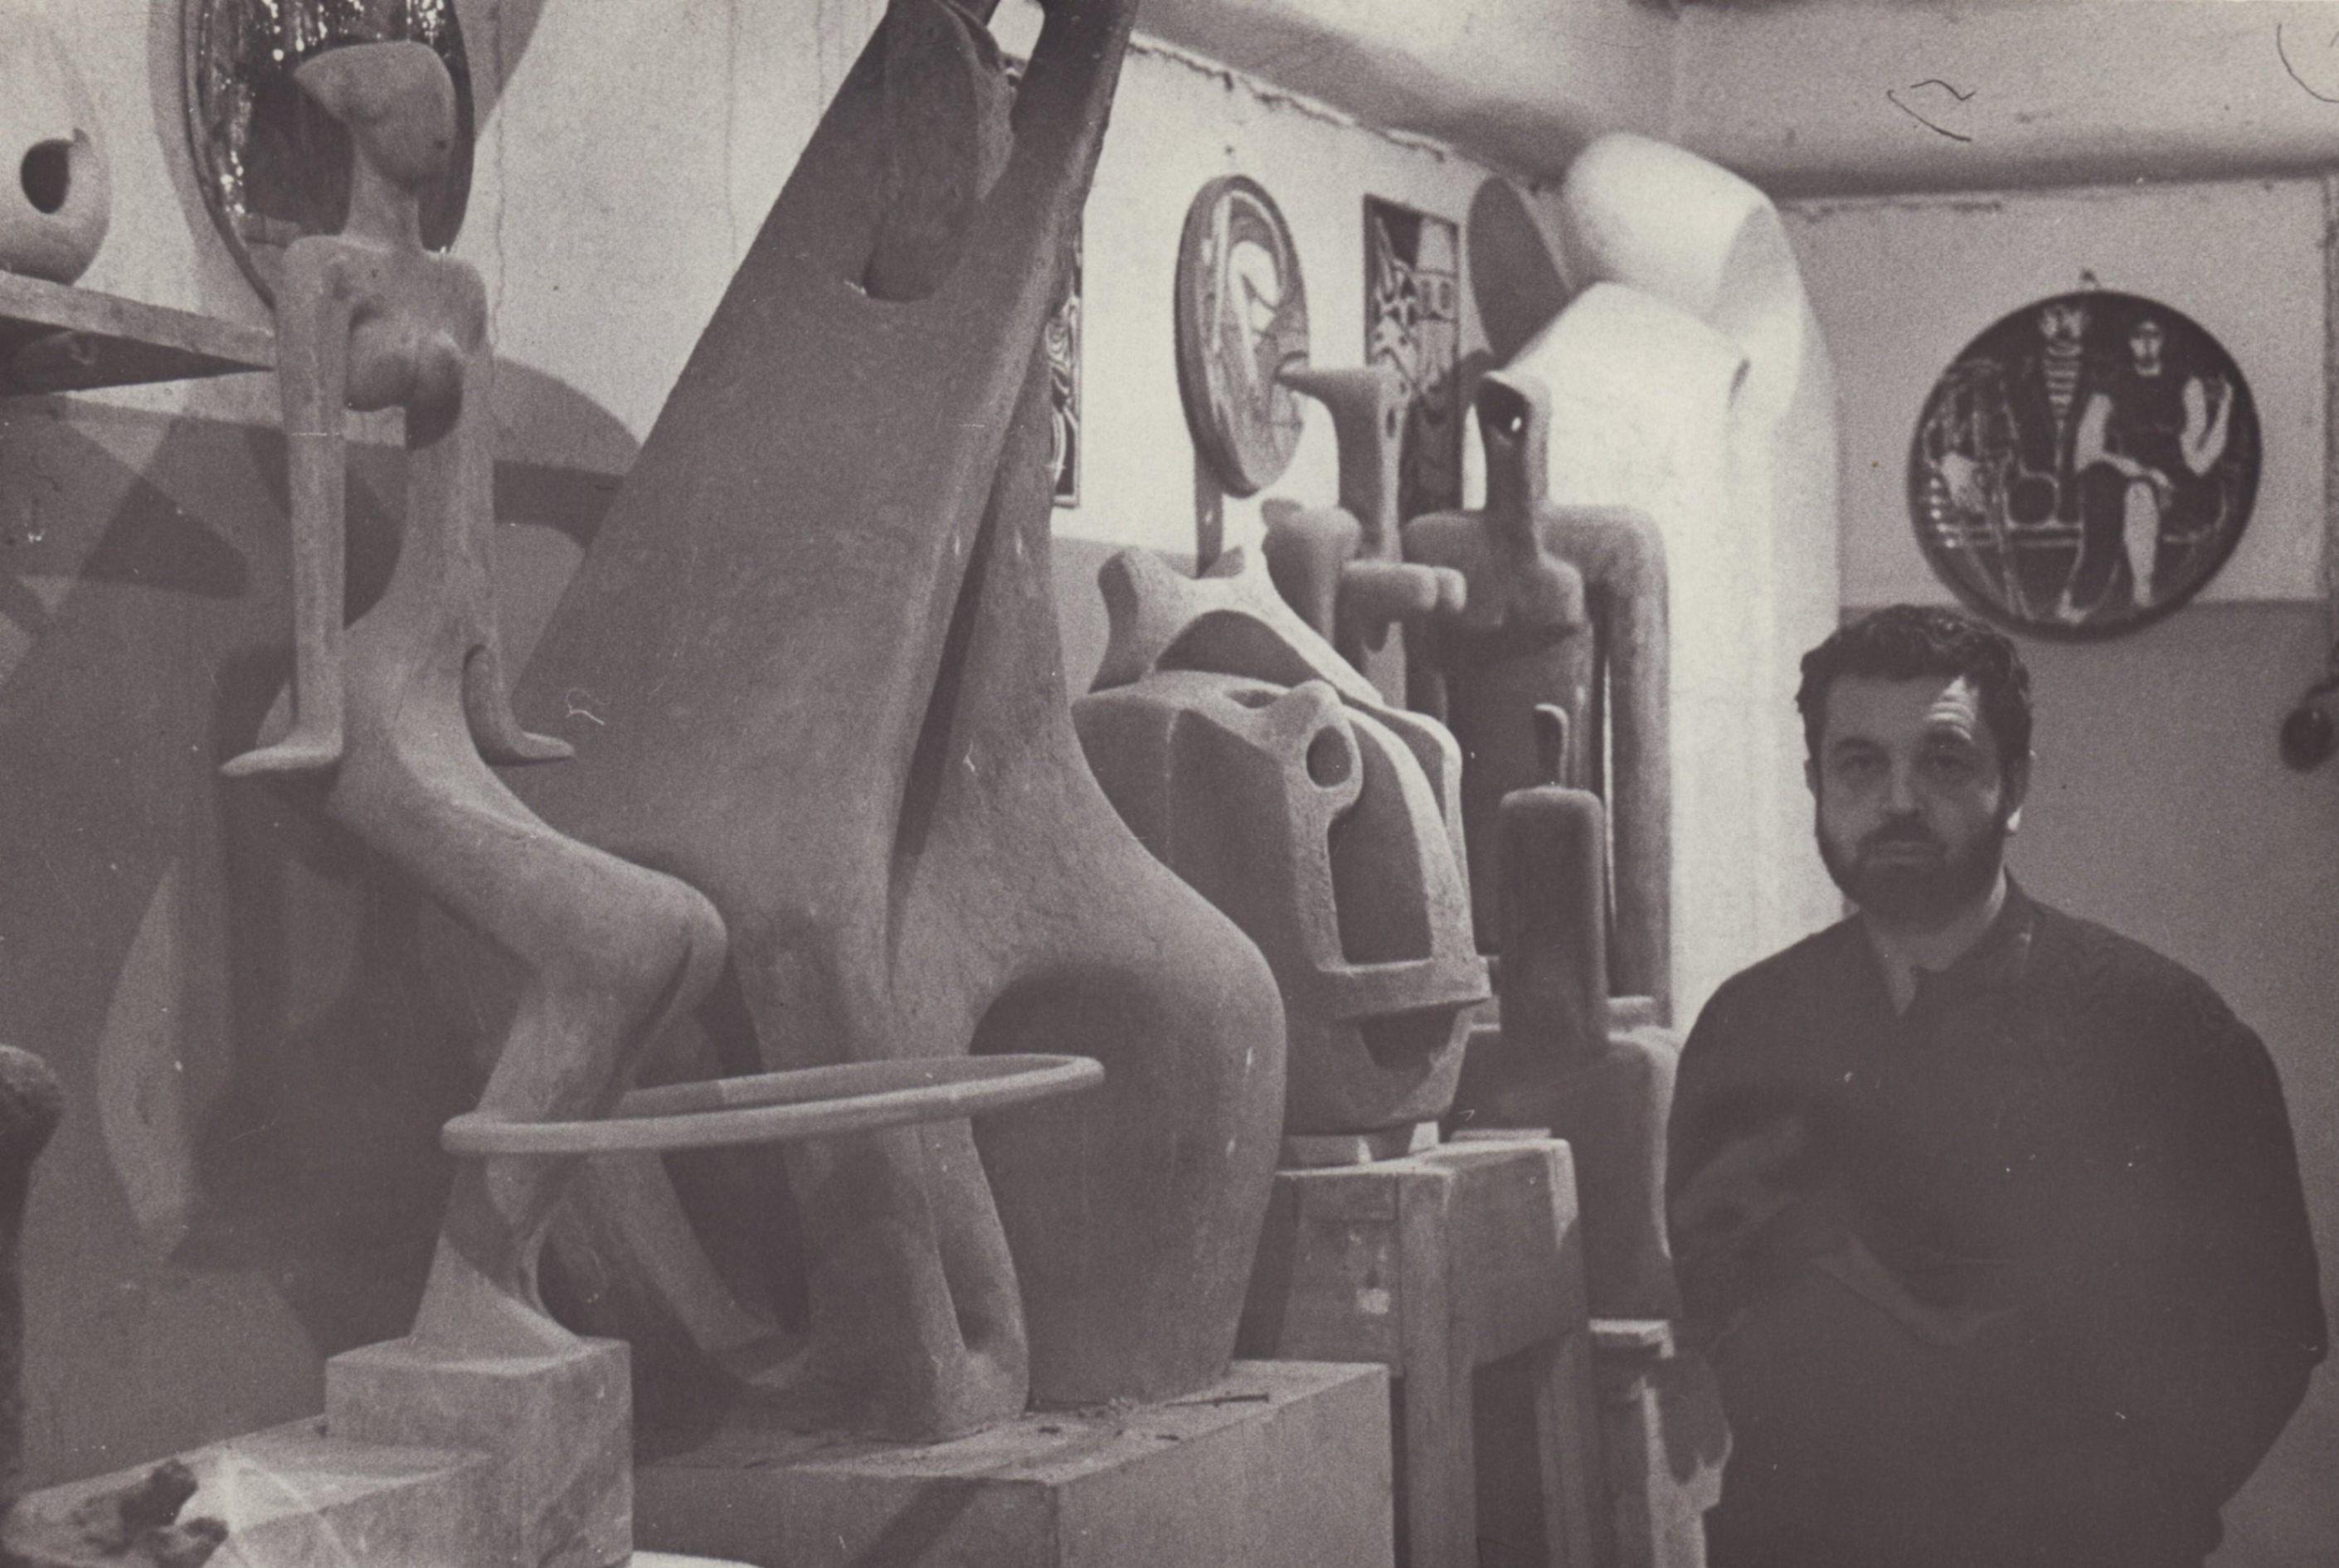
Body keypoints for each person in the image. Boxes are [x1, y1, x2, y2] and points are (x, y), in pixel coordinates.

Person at [1666, 604, 2325, 1568]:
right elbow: (1726, 1312)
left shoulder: (2169, 1035)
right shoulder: (1748, 1027)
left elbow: (2266, 1337)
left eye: (1944, 761)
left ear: (2014, 786)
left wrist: (2113, 1520)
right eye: (1859, 764)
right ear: (1815, 784)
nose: (1898, 799)